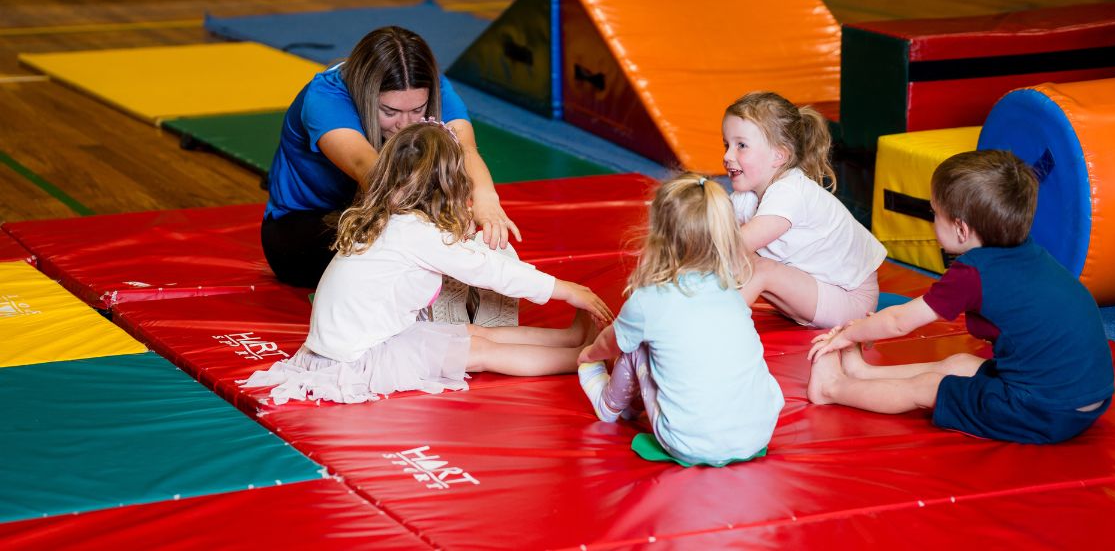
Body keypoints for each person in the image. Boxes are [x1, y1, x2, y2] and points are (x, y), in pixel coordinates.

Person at [242, 121, 613, 405]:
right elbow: (494, 272)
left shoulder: (388, 216)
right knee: (481, 352)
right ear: (452, 187)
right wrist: (569, 291)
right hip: (356, 358)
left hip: (351, 343)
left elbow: (464, 255)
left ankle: (568, 340)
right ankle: (582, 358)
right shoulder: (416, 232)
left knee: (471, 335)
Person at [806, 150, 1114, 444]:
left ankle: (832, 389)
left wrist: (849, 332)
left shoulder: (974, 272)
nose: (932, 220)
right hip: (1085, 401)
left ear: (962, 230)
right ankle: (863, 374)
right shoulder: (1027, 253)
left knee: (929, 388)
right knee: (961, 364)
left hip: (1043, 410)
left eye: (935, 213)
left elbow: (900, 322)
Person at [261, 25, 520, 288]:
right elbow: (369, 169)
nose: (405, 124)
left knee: (438, 247)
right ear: (366, 94)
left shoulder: (432, 86)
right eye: (390, 111)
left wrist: (486, 198)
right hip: (302, 227)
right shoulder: (326, 97)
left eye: (418, 109)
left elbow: (464, 148)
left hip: (382, 209)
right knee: (405, 249)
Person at [576, 174, 784, 466]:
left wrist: (588, 355)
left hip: (689, 441)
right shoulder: (731, 292)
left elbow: (611, 343)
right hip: (758, 434)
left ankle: (609, 405)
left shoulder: (650, 300)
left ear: (659, 239)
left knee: (635, 344)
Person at [722, 92, 886, 329]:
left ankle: (720, 327)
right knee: (736, 255)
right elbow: (715, 232)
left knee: (757, 266)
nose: (727, 156)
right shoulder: (745, 196)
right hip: (814, 290)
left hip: (851, 301)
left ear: (779, 155)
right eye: (727, 145)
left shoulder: (790, 192)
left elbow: (732, 245)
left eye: (741, 146)